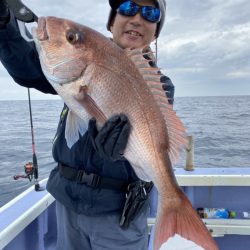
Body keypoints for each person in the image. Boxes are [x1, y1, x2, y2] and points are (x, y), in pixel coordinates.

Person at [0, 0, 174, 249]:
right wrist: (4, 24)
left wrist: (119, 154)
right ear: (112, 22)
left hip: (118, 217)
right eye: (126, 8)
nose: (136, 18)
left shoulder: (161, 86)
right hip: (67, 203)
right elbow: (26, 67)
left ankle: (174, 209)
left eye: (149, 13)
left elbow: (153, 147)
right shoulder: (81, 61)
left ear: (156, 30)